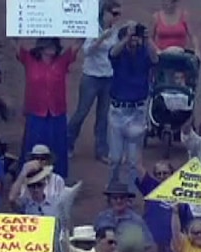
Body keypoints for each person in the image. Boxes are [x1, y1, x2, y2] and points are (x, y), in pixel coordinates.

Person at [14, 38, 80, 177]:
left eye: (54, 45)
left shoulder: (62, 61)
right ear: (41, 48)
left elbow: (78, 44)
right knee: (33, 146)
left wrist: (89, 24)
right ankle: (30, 178)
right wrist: (15, 24)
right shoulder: (29, 60)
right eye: (48, 45)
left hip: (57, 112)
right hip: (36, 111)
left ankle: (58, 180)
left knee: (58, 147)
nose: (52, 48)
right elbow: (16, 43)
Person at [67, 0, 122, 162]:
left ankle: (101, 151)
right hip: (91, 76)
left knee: (103, 116)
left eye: (118, 14)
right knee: (82, 112)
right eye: (114, 13)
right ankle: (68, 143)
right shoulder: (93, 28)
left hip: (108, 77)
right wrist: (100, 39)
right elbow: (87, 50)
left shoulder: (116, 31)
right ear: (104, 13)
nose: (116, 17)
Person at [107, 22, 159, 186]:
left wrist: (148, 38)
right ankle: (113, 185)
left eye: (136, 38)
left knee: (132, 160)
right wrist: (127, 37)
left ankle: (128, 192)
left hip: (137, 111)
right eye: (131, 37)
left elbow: (156, 58)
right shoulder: (119, 54)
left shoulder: (144, 53)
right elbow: (113, 53)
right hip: (118, 111)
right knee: (115, 158)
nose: (134, 40)